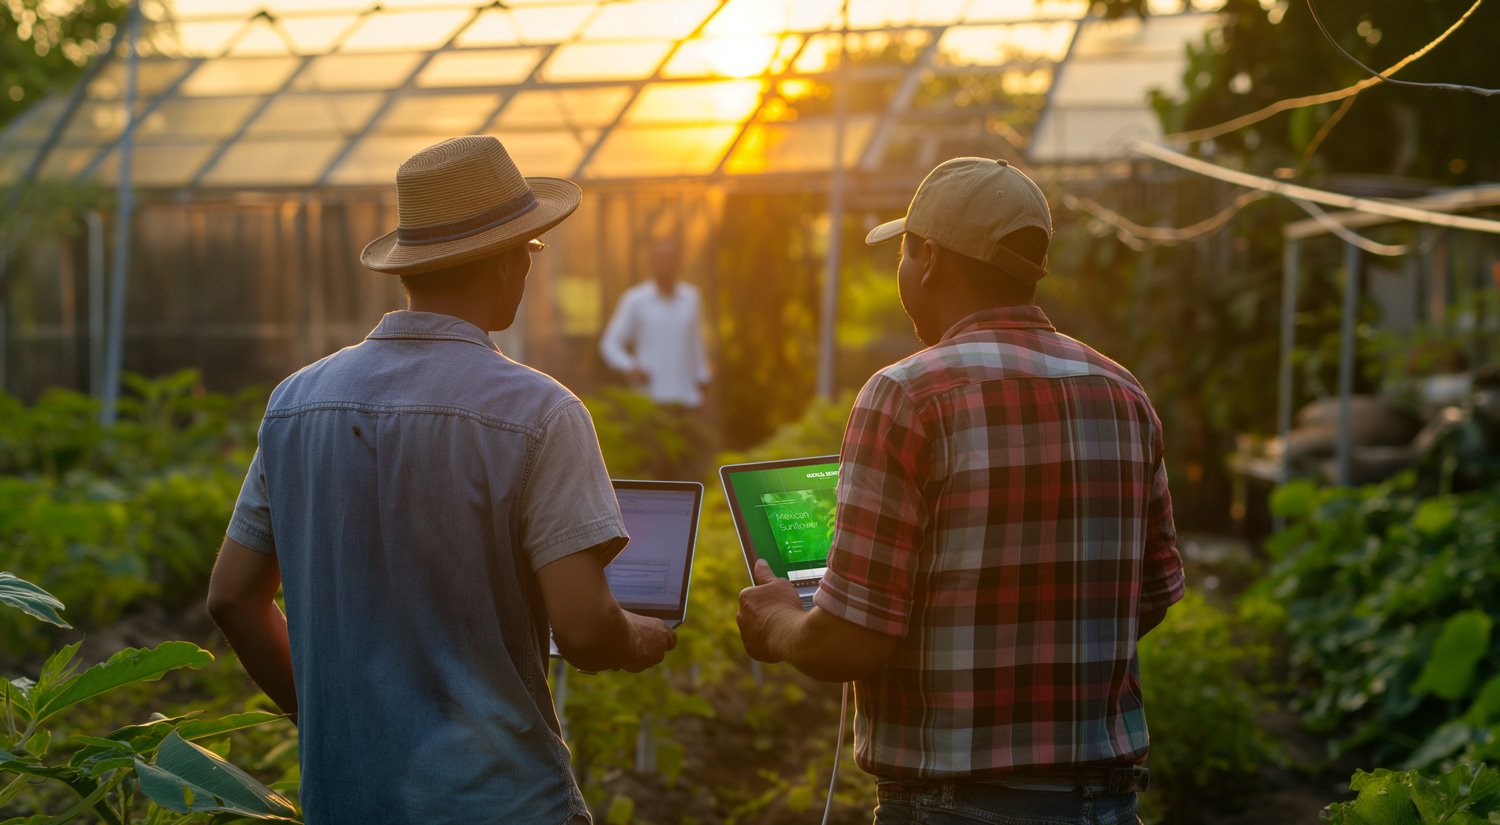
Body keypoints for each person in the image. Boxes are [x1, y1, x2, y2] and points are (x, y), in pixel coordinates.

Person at [206, 136, 677, 825]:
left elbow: (232, 598)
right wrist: (641, 637)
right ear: (509, 259)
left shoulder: (297, 402)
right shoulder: (540, 412)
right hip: (502, 801)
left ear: (412, 266)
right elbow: (582, 627)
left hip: (347, 801)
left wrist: (328, 723)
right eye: (530, 252)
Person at [736, 157, 1184, 825]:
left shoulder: (908, 396)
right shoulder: (1122, 393)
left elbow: (852, 640)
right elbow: (1148, 597)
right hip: (1106, 805)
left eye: (904, 251)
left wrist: (776, 620)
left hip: (953, 806)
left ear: (930, 259)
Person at [599, 238, 712, 409]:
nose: (665, 265)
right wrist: (631, 367)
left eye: (670, 259)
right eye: (660, 259)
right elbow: (610, 344)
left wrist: (703, 377)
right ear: (650, 263)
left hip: (687, 399)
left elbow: (696, 343)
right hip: (649, 399)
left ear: (679, 263)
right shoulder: (635, 300)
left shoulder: (691, 298)